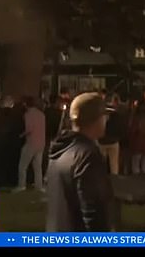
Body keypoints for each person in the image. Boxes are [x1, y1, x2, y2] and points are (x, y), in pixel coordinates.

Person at [46, 92, 113, 232]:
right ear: (96, 120)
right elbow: (93, 212)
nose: (106, 120)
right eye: (104, 116)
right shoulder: (87, 156)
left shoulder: (59, 151)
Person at [16, 97, 46, 192]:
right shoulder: (41, 114)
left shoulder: (28, 114)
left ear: (25, 104)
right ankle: (39, 186)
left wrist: (21, 135)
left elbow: (29, 129)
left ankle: (21, 185)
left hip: (31, 143)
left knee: (22, 166)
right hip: (41, 143)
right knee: (37, 167)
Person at [99, 94, 124, 175]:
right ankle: (115, 179)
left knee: (102, 162)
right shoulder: (117, 114)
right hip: (114, 141)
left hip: (102, 141)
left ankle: (102, 176)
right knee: (114, 163)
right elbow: (120, 127)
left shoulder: (101, 113)